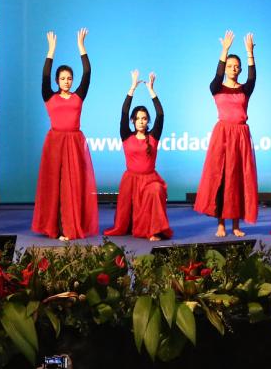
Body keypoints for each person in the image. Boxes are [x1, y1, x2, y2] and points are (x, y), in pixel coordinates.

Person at [32, 28, 99, 240]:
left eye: (69, 78)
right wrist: (51, 51)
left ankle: (70, 227)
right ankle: (55, 227)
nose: (67, 81)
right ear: (57, 80)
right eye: (63, 78)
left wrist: (81, 47)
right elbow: (44, 75)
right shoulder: (49, 96)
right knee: (55, 186)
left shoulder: (78, 96)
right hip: (55, 143)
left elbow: (87, 73)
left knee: (72, 186)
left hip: (74, 143)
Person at [193, 31, 259, 237]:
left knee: (237, 180)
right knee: (221, 179)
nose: (233, 69)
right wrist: (224, 51)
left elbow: (252, 77)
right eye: (230, 66)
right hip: (222, 136)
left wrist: (249, 53)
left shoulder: (245, 89)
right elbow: (217, 75)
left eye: (236, 66)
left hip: (240, 137)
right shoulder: (216, 88)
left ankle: (236, 225)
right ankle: (220, 223)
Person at [105, 70, 171, 241]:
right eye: (138, 118)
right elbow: (124, 112)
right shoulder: (126, 135)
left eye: (144, 118)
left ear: (147, 121)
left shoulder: (153, 136)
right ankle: (134, 226)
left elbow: (161, 114)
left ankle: (155, 231)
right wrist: (132, 88)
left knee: (156, 190)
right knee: (127, 223)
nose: (141, 121)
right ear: (133, 121)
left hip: (150, 180)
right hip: (131, 181)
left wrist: (151, 91)